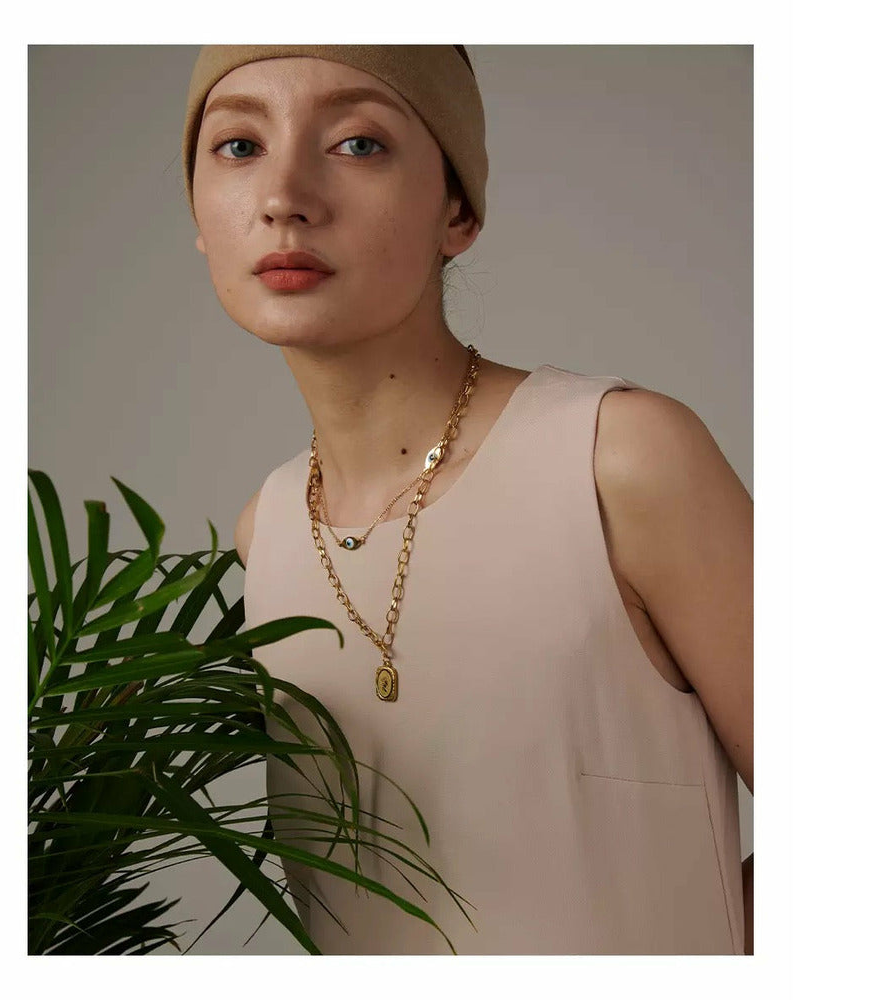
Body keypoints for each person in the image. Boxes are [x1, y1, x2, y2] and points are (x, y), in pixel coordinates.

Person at [182, 44, 753, 955]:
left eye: (359, 143)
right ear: (198, 216)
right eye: (239, 146)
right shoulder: (271, 532)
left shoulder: (619, 458)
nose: (284, 196)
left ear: (458, 211)